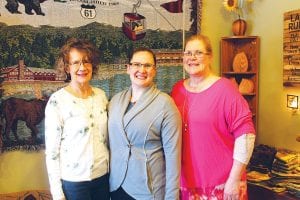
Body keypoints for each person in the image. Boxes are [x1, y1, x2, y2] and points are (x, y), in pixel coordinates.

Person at [171, 34, 256, 200]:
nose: (192, 58)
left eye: (198, 53)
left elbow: (246, 134)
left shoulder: (225, 89)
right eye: (188, 53)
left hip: (223, 184)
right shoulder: (177, 89)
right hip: (186, 182)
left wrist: (234, 179)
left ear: (210, 57)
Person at [108, 47, 182, 200]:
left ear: (154, 70)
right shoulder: (115, 101)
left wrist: (172, 197)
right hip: (116, 185)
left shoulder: (165, 104)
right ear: (128, 68)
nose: (142, 70)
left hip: (147, 190)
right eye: (136, 64)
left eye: (147, 65)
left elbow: (173, 156)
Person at [45, 38, 109, 200]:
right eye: (76, 63)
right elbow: (52, 152)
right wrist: (57, 194)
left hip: (103, 178)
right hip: (74, 183)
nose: (82, 67)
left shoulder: (101, 96)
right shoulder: (57, 101)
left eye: (87, 62)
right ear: (67, 68)